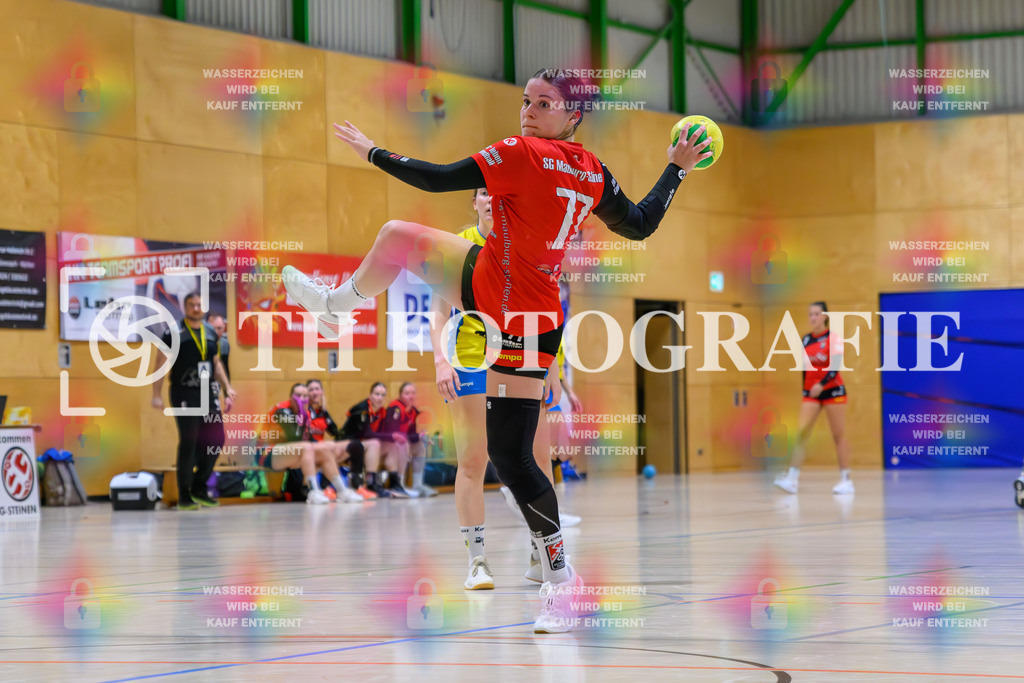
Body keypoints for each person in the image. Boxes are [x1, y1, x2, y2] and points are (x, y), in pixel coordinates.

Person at [282, 67, 711, 632]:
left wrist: (373, 152)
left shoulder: (520, 151)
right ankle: (560, 582)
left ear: (573, 114)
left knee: (511, 457)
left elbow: (437, 179)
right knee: (512, 455)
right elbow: (640, 225)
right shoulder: (593, 170)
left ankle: (560, 578)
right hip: (532, 313)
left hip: (500, 302)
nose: (528, 111)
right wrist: (676, 169)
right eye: (526, 101)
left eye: (544, 103)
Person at [430, 188, 578, 591]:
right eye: (483, 193)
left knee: (539, 459)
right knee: (473, 461)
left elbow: (547, 310)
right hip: (471, 359)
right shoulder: (457, 247)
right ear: (475, 202)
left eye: (498, 193)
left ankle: (539, 553)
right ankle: (477, 561)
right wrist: (441, 360)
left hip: (524, 355)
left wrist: (553, 364)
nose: (491, 199)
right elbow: (438, 312)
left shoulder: (529, 244)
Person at [151, 292, 236, 510]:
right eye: (192, 305)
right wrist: (156, 395)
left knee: (217, 440)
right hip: (184, 393)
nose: (196, 308)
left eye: (199, 305)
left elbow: (216, 362)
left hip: (207, 393)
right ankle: (184, 496)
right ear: (185, 307)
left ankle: (199, 487)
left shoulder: (210, 332)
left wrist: (227, 388)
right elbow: (160, 364)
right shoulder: (173, 332)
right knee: (189, 442)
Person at [773, 301, 853, 495]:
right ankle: (792, 479)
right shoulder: (807, 339)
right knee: (801, 433)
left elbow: (835, 367)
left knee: (838, 435)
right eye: (810, 314)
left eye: (817, 314)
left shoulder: (833, 339)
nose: (813, 318)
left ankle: (846, 481)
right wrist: (805, 389)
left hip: (833, 390)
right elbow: (804, 367)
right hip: (812, 393)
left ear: (824, 316)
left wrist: (822, 384)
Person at [255, 383, 363, 504]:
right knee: (308, 447)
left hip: (290, 451)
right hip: (265, 451)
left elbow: (309, 438)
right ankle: (313, 491)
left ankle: (342, 491)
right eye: (298, 395)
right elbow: (295, 437)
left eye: (305, 396)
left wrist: (324, 447)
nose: (301, 399)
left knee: (324, 448)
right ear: (291, 397)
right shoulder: (282, 411)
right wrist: (301, 412)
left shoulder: (306, 413)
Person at [338, 382, 418, 499]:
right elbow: (366, 434)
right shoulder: (362, 409)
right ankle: (371, 484)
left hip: (364, 447)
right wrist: (391, 436)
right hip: (347, 446)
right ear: (370, 395)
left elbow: (383, 433)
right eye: (377, 394)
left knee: (392, 444)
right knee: (375, 443)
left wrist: (394, 437)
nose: (380, 398)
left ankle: (395, 482)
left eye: (382, 395)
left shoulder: (381, 412)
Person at [305, 379, 370, 501]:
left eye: (317, 389)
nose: (314, 392)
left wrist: (325, 412)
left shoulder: (322, 412)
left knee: (355, 445)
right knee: (327, 452)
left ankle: (357, 485)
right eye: (311, 390)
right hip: (310, 450)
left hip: (322, 449)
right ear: (306, 393)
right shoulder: (304, 411)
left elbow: (336, 433)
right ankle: (325, 487)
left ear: (321, 392)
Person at [380, 382, 438, 498]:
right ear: (400, 395)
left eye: (413, 393)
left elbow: (411, 434)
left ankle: (417, 485)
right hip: (388, 446)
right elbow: (392, 433)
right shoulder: (395, 408)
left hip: (403, 445)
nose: (411, 396)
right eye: (407, 393)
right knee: (402, 443)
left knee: (420, 444)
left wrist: (421, 436)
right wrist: (415, 436)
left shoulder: (413, 411)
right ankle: (399, 483)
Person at [206, 312, 231, 381]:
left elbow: (225, 369)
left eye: (219, 328)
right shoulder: (202, 344)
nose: (216, 332)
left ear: (224, 328)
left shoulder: (225, 344)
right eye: (212, 328)